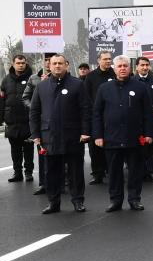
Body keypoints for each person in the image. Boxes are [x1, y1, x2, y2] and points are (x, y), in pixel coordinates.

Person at [92, 55, 153, 212]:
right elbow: (96, 114)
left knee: (135, 171)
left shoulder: (140, 87)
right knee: (114, 172)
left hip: (134, 137)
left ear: (130, 68)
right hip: (111, 137)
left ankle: (134, 199)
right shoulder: (104, 89)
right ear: (114, 68)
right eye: (119, 66)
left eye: (125, 66)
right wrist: (98, 135)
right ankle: (115, 200)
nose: (122, 68)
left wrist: (149, 133)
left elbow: (148, 113)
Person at [29, 54, 91, 214]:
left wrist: (85, 131)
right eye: (54, 63)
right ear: (49, 66)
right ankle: (53, 202)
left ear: (66, 65)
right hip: (49, 137)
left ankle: (78, 201)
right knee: (51, 172)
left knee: (75, 171)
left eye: (60, 63)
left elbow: (85, 110)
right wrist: (35, 134)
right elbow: (34, 112)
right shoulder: (41, 87)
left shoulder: (77, 84)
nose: (57, 66)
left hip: (73, 135)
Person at [22, 53, 54, 195]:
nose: (48, 63)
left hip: (60, 122)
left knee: (62, 154)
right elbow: (25, 97)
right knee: (43, 154)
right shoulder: (34, 78)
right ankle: (44, 183)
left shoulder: (65, 78)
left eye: (50, 60)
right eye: (45, 60)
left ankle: (62, 181)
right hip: (42, 122)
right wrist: (35, 108)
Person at [83, 51, 115, 185]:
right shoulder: (90, 77)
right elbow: (86, 96)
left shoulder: (115, 74)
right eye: (105, 59)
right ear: (98, 61)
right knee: (95, 147)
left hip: (113, 116)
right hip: (95, 116)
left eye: (110, 59)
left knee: (112, 145)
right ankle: (97, 174)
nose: (108, 61)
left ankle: (111, 170)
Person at [3, 55, 34, 183]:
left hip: (28, 121)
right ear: (13, 63)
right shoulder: (6, 80)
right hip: (12, 121)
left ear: (26, 63)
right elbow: (2, 100)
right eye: (18, 63)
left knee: (28, 149)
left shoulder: (32, 78)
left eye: (23, 63)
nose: (20, 65)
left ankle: (28, 173)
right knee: (15, 150)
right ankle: (17, 173)